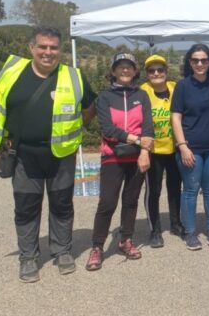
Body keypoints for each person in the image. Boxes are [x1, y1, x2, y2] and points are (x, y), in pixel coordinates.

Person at [0, 27, 96, 283]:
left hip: (62, 155)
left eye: (53, 47)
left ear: (60, 50)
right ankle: (28, 257)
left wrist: (73, 131)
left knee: (62, 205)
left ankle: (62, 251)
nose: (48, 52)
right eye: (42, 47)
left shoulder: (74, 76)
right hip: (24, 155)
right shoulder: (11, 73)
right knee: (27, 207)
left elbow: (89, 109)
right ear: (31, 48)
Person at [85, 53, 153, 271]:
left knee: (131, 201)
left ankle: (126, 239)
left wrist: (144, 151)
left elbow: (148, 128)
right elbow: (108, 130)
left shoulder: (142, 95)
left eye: (129, 67)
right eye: (120, 67)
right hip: (112, 155)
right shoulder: (104, 97)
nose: (125, 70)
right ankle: (97, 246)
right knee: (107, 203)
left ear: (135, 71)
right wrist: (134, 139)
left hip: (137, 157)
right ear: (113, 71)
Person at [170, 44, 209, 250]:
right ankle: (190, 232)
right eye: (195, 60)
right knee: (191, 190)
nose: (199, 64)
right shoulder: (183, 86)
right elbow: (176, 117)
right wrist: (182, 145)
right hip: (190, 148)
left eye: (204, 60)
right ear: (189, 62)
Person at [140, 54, 183, 248]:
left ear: (166, 71)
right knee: (153, 191)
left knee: (175, 189)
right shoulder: (142, 92)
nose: (156, 73)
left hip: (174, 148)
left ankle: (176, 223)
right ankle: (154, 229)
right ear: (147, 73)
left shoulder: (176, 88)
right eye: (151, 70)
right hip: (153, 150)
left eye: (160, 70)